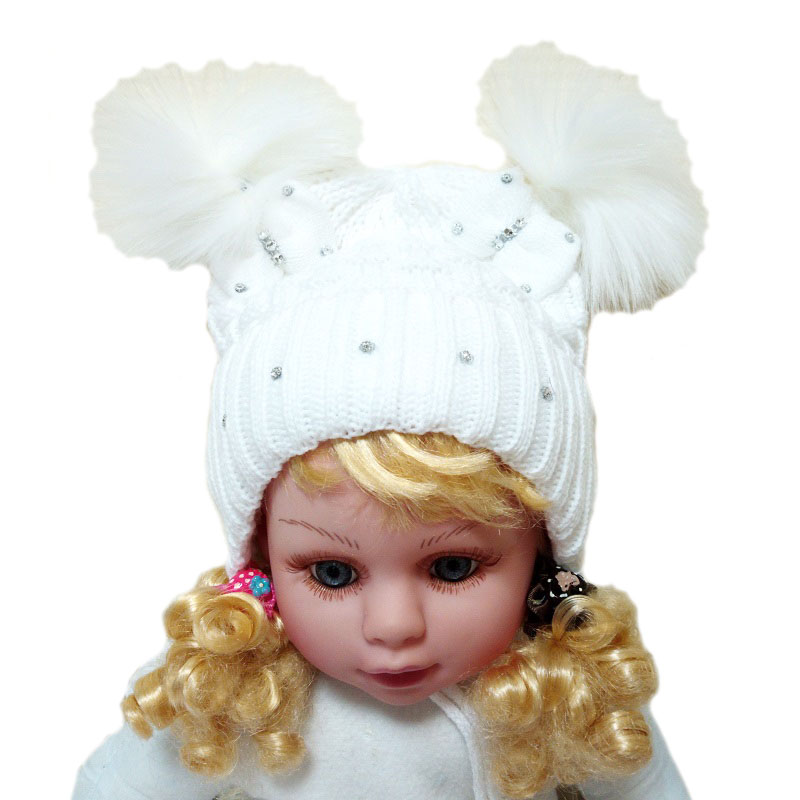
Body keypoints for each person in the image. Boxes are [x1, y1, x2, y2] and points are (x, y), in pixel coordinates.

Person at [73, 42, 705, 799]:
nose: (395, 626)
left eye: (454, 567)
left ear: (542, 552)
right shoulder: (230, 701)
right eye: (332, 574)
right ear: (261, 554)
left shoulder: (571, 703)